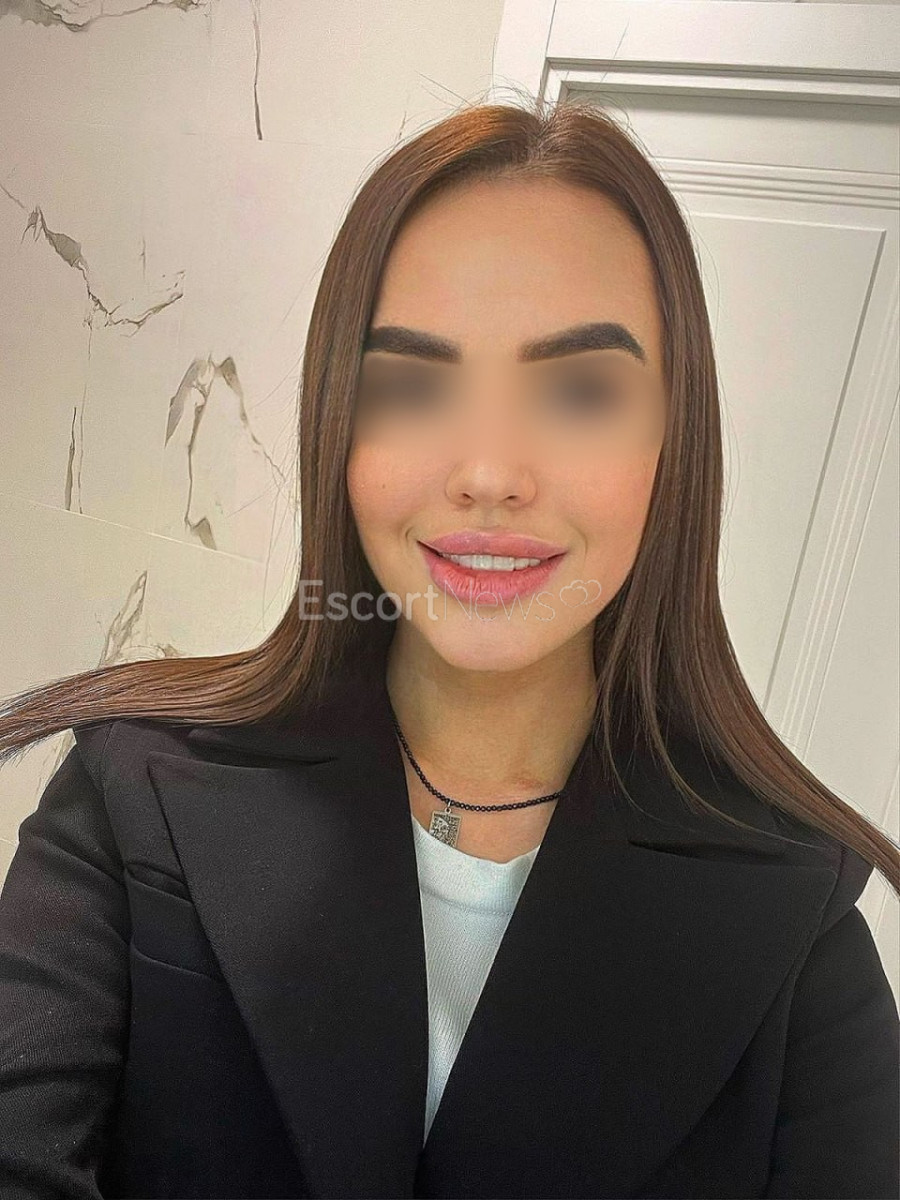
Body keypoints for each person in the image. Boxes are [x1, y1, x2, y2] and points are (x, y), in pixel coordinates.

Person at [0, 94, 898, 1200]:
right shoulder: (132, 792)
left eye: (578, 389)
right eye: (413, 386)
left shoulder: (797, 926)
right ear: (339, 427)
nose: (488, 472)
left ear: (676, 442)